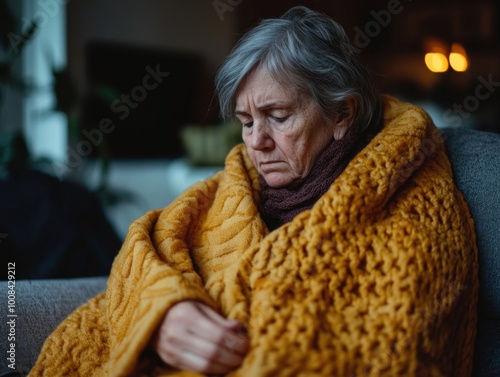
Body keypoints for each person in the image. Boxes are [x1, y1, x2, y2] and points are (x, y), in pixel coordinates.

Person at [30, 6, 478, 377]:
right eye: (246, 122)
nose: (256, 142)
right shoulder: (235, 180)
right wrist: (159, 314)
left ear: (342, 113)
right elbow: (143, 245)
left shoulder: (416, 212)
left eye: (278, 117)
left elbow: (386, 351)